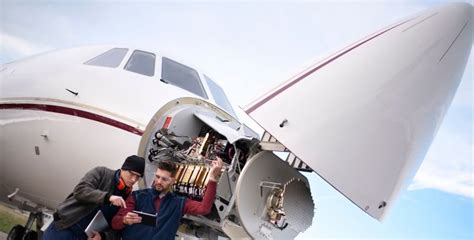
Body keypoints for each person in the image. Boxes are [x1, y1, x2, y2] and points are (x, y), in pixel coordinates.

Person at [111, 158, 223, 240]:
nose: (159, 181)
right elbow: (114, 223)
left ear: (172, 181)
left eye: (164, 179)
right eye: (157, 177)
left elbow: (204, 208)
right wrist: (124, 220)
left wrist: (212, 178)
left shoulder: (179, 203)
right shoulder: (137, 196)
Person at [43, 155, 145, 240]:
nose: (133, 179)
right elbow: (80, 190)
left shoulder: (129, 198)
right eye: (131, 174)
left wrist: (103, 236)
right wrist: (107, 197)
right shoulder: (102, 173)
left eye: (137, 177)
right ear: (123, 168)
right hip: (65, 227)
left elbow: (118, 230)